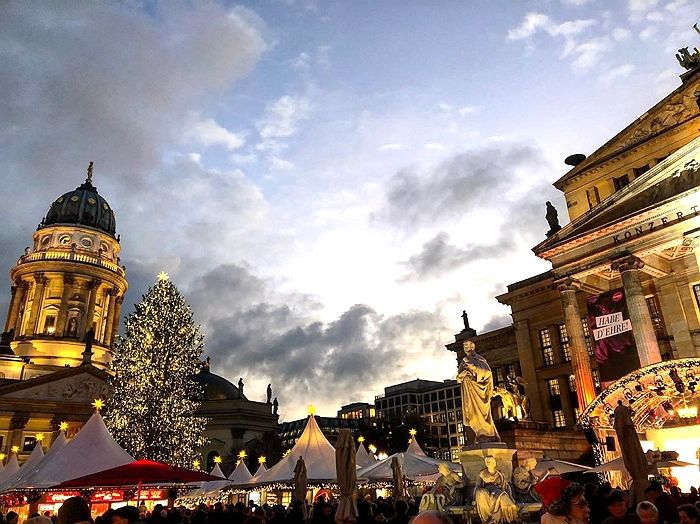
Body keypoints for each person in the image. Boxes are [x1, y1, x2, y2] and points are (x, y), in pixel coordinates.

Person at [457, 340, 499, 443]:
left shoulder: (478, 359)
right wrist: (460, 376)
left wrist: (472, 367)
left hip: (478, 390)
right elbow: (459, 378)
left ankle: (487, 434)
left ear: (473, 346)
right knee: (472, 415)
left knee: (481, 414)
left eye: (466, 345)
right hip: (468, 391)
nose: (465, 347)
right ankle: (480, 434)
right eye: (463, 345)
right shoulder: (463, 361)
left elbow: (487, 372)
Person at [474, 456, 519, 524]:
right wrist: (474, 498)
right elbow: (477, 486)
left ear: (494, 463)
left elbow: (506, 486)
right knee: (480, 492)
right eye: (487, 462)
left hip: (498, 491)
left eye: (490, 461)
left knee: (503, 498)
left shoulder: (500, 474)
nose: (488, 463)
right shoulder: (482, 474)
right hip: (487, 492)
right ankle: (488, 519)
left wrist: (511, 496)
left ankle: (496, 519)